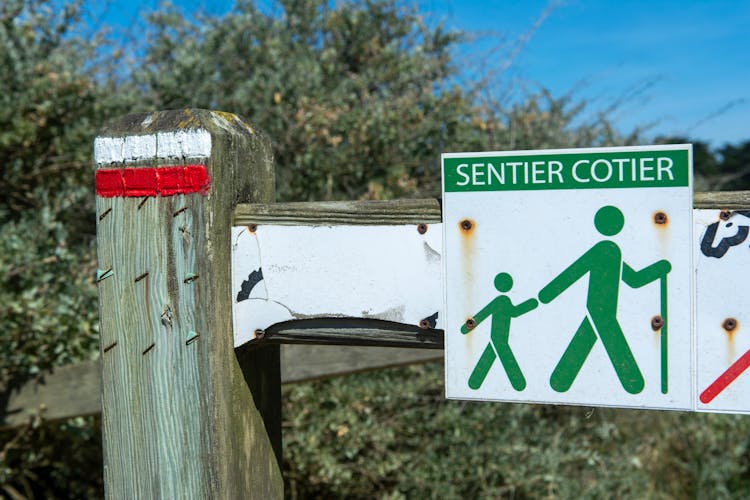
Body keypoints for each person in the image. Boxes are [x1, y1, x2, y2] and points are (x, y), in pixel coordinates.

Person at [539, 205, 671, 394]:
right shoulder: (606, 250)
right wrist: (548, 293)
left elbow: (632, 280)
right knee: (612, 341)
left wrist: (657, 269)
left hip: (602, 308)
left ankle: (561, 380)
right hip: (601, 309)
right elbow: (575, 271)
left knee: (586, 338)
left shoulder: (611, 250)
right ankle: (633, 384)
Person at [461, 272, 537, 390]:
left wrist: (530, 304)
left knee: (490, 354)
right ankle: (518, 383)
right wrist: (530, 304)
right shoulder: (502, 301)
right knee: (504, 355)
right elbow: (513, 312)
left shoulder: (502, 300)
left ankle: (475, 382)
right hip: (499, 336)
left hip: (498, 335)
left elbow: (485, 314)